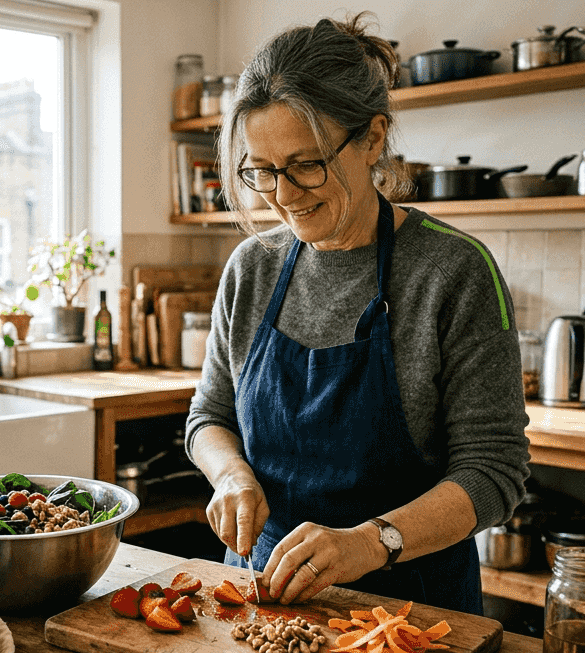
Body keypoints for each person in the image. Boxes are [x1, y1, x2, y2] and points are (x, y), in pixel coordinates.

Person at [185, 13, 530, 615]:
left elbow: (494, 472)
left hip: (413, 615)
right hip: (261, 601)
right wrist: (231, 475)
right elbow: (208, 417)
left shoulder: (452, 270)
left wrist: (369, 544)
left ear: (372, 138)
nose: (283, 194)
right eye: (261, 170)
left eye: (307, 163)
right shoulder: (251, 269)